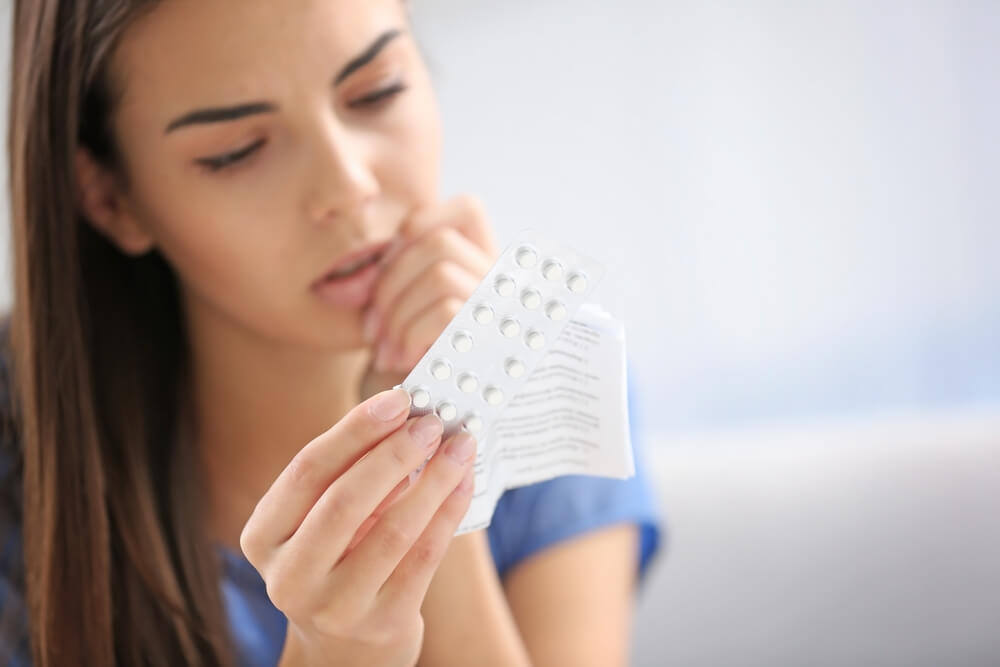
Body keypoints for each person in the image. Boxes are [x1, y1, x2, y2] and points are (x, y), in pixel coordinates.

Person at [0, 1, 661, 665]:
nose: (348, 186)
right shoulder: (19, 461)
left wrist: (446, 424)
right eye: (237, 152)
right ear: (111, 198)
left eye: (377, 92)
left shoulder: (555, 371)